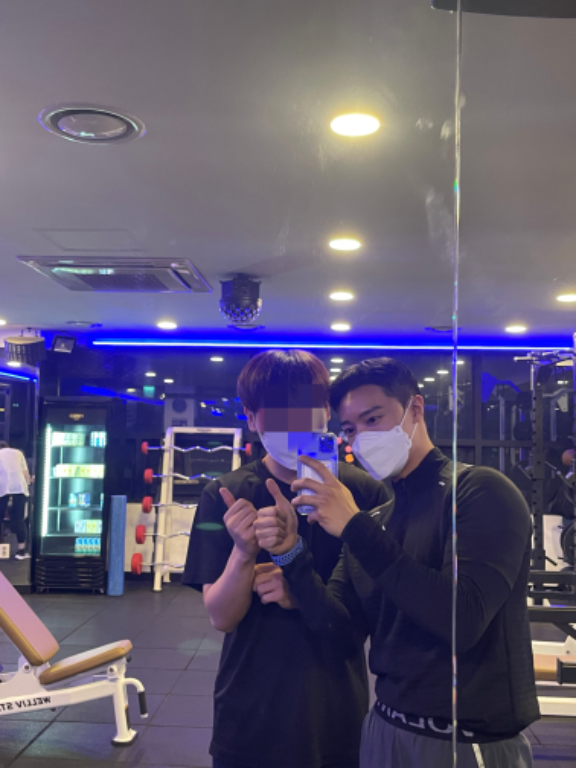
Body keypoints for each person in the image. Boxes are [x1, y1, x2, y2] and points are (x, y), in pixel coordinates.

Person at [257, 357, 538, 768]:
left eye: (373, 419)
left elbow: (461, 621)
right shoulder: (375, 521)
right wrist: (291, 552)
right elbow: (340, 632)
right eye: (350, 429)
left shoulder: (478, 492)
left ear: (415, 409)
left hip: (466, 740)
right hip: (385, 730)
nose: (361, 437)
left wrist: (353, 527)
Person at [182, 349, 389, 768]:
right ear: (252, 417)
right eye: (279, 411)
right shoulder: (225, 495)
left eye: (306, 407)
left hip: (336, 709)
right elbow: (221, 617)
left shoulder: (364, 493)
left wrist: (302, 592)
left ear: (325, 411)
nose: (294, 422)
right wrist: (243, 553)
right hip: (250, 710)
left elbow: (375, 617)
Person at [0, 441, 32, 560]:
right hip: (19, 488)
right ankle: (21, 551)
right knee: (19, 519)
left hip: (2, 488)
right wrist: (28, 482)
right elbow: (25, 473)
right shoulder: (18, 453)